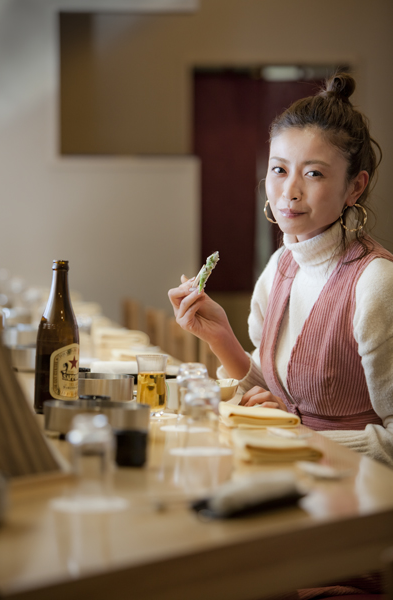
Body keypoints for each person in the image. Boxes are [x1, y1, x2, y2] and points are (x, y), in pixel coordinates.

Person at [168, 72, 393, 471]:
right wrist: (220, 336)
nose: (289, 191)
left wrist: (297, 436)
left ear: (355, 188)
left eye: (314, 173)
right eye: (278, 169)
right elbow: (274, 394)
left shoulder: (376, 283)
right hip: (290, 482)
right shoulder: (281, 266)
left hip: (357, 501)